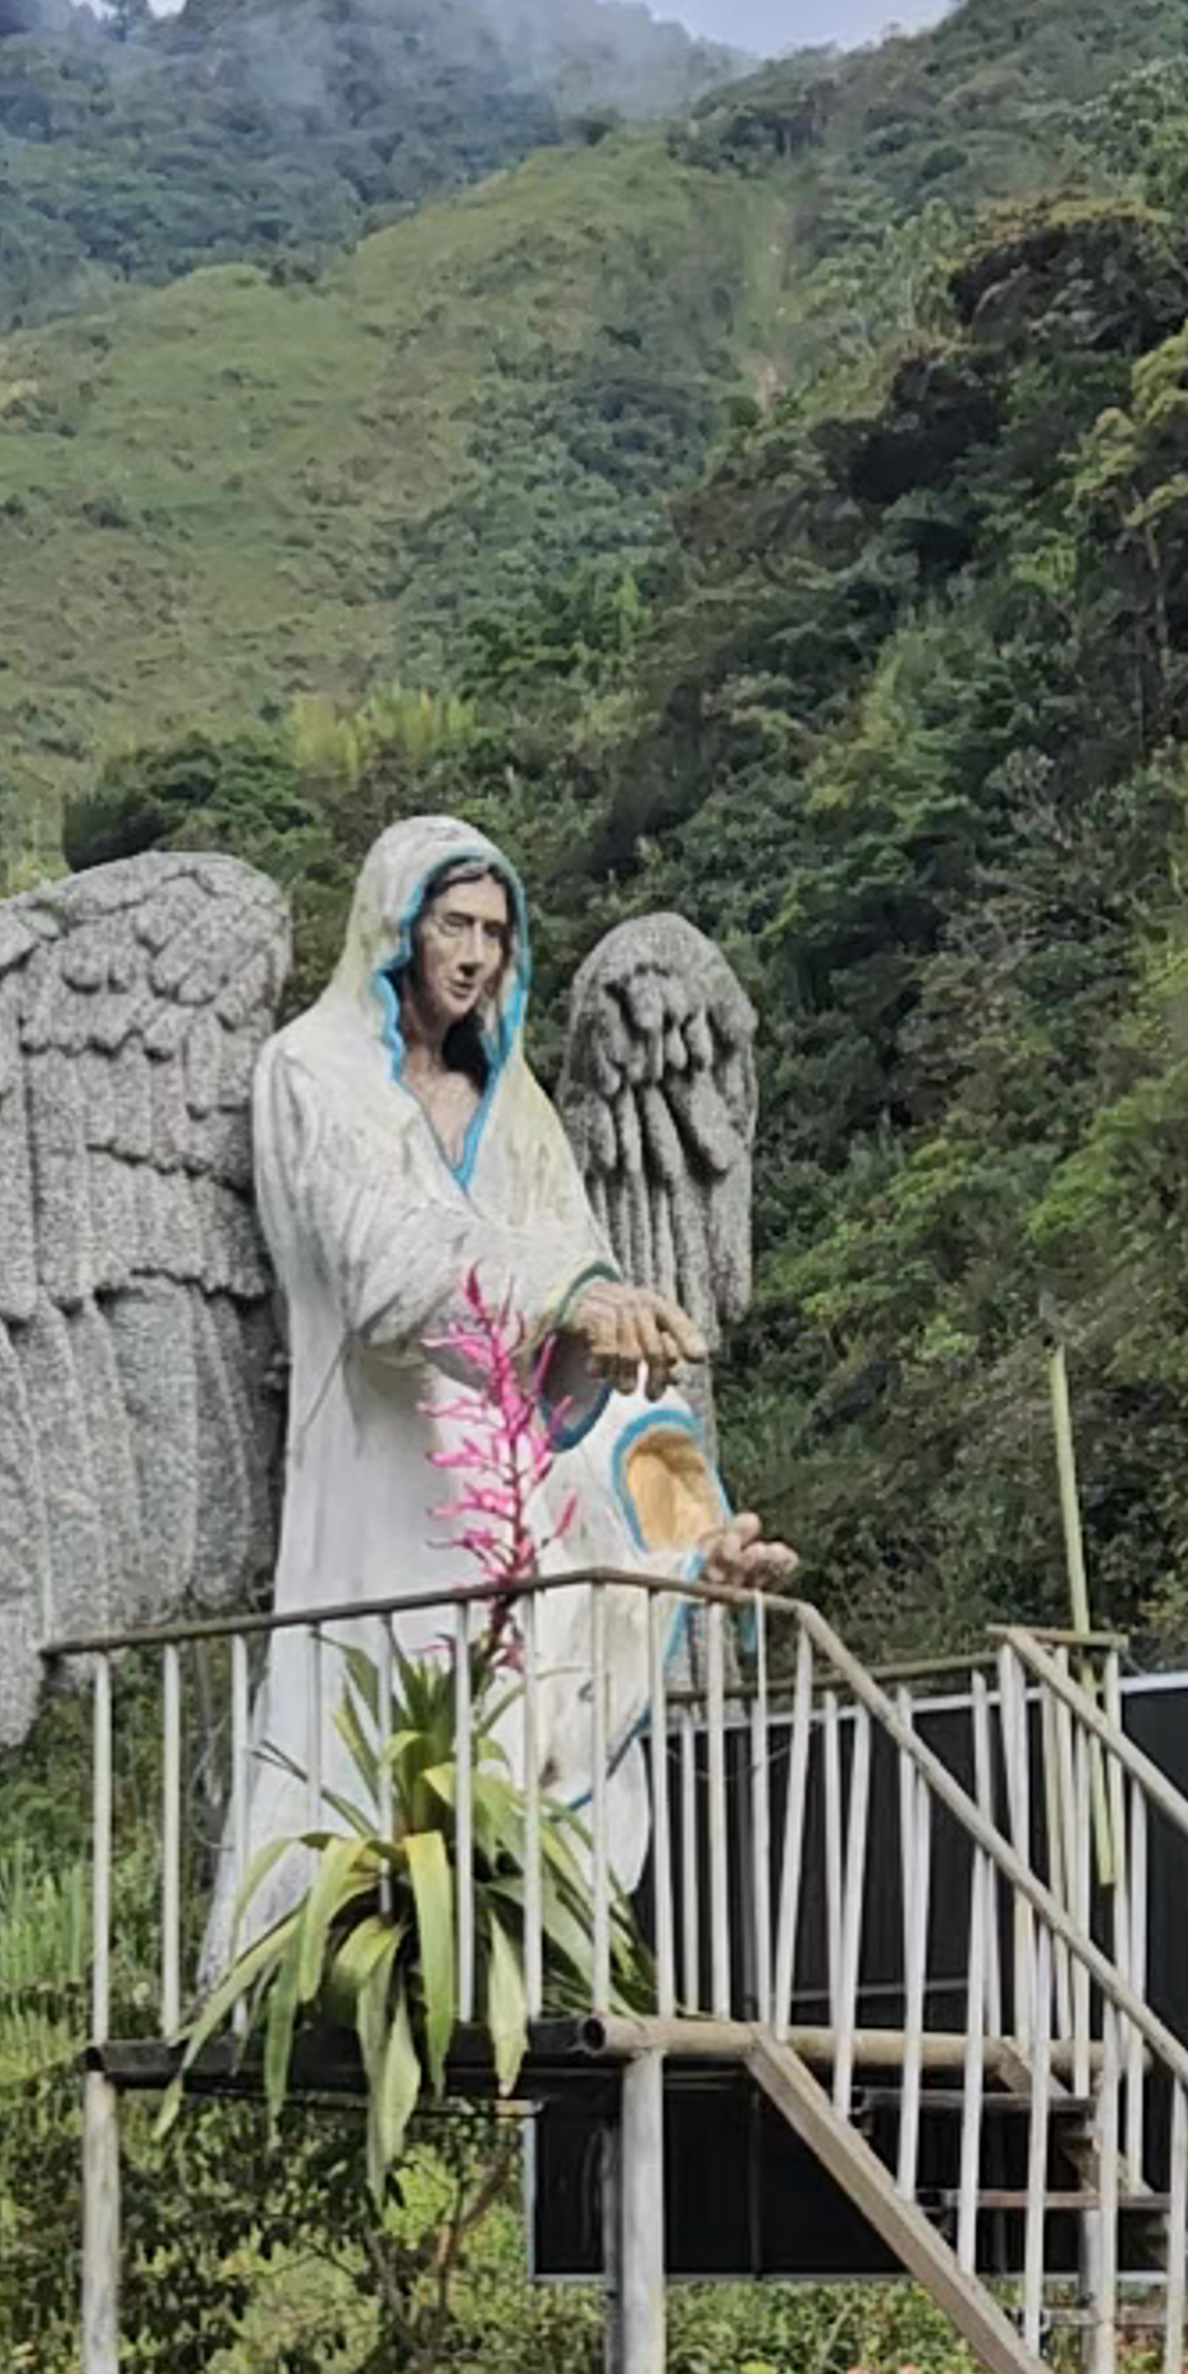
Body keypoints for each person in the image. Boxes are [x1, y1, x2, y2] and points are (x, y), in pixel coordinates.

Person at [216, 810, 784, 1945]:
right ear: (394, 927)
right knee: (368, 1766)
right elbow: (386, 1274)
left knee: (532, 1739)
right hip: (382, 1485)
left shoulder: (514, 1110)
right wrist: (566, 1293)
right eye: (453, 925)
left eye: (495, 931)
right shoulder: (312, 1074)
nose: (475, 954)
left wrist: (691, 1540)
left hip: (513, 1497)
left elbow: (597, 1351)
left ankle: (520, 1951)